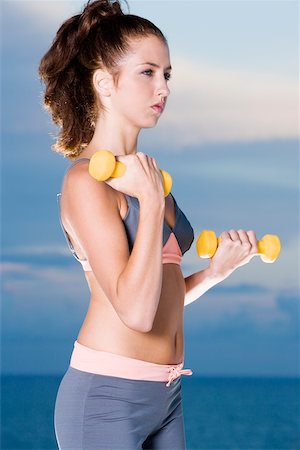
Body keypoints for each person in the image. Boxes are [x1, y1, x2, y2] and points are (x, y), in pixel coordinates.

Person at [38, 0, 258, 448]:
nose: (164, 87)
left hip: (167, 395)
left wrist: (215, 273)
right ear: (104, 83)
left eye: (168, 74)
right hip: (105, 398)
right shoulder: (86, 181)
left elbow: (161, 295)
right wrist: (152, 202)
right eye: (148, 72)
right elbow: (135, 312)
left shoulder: (148, 179)